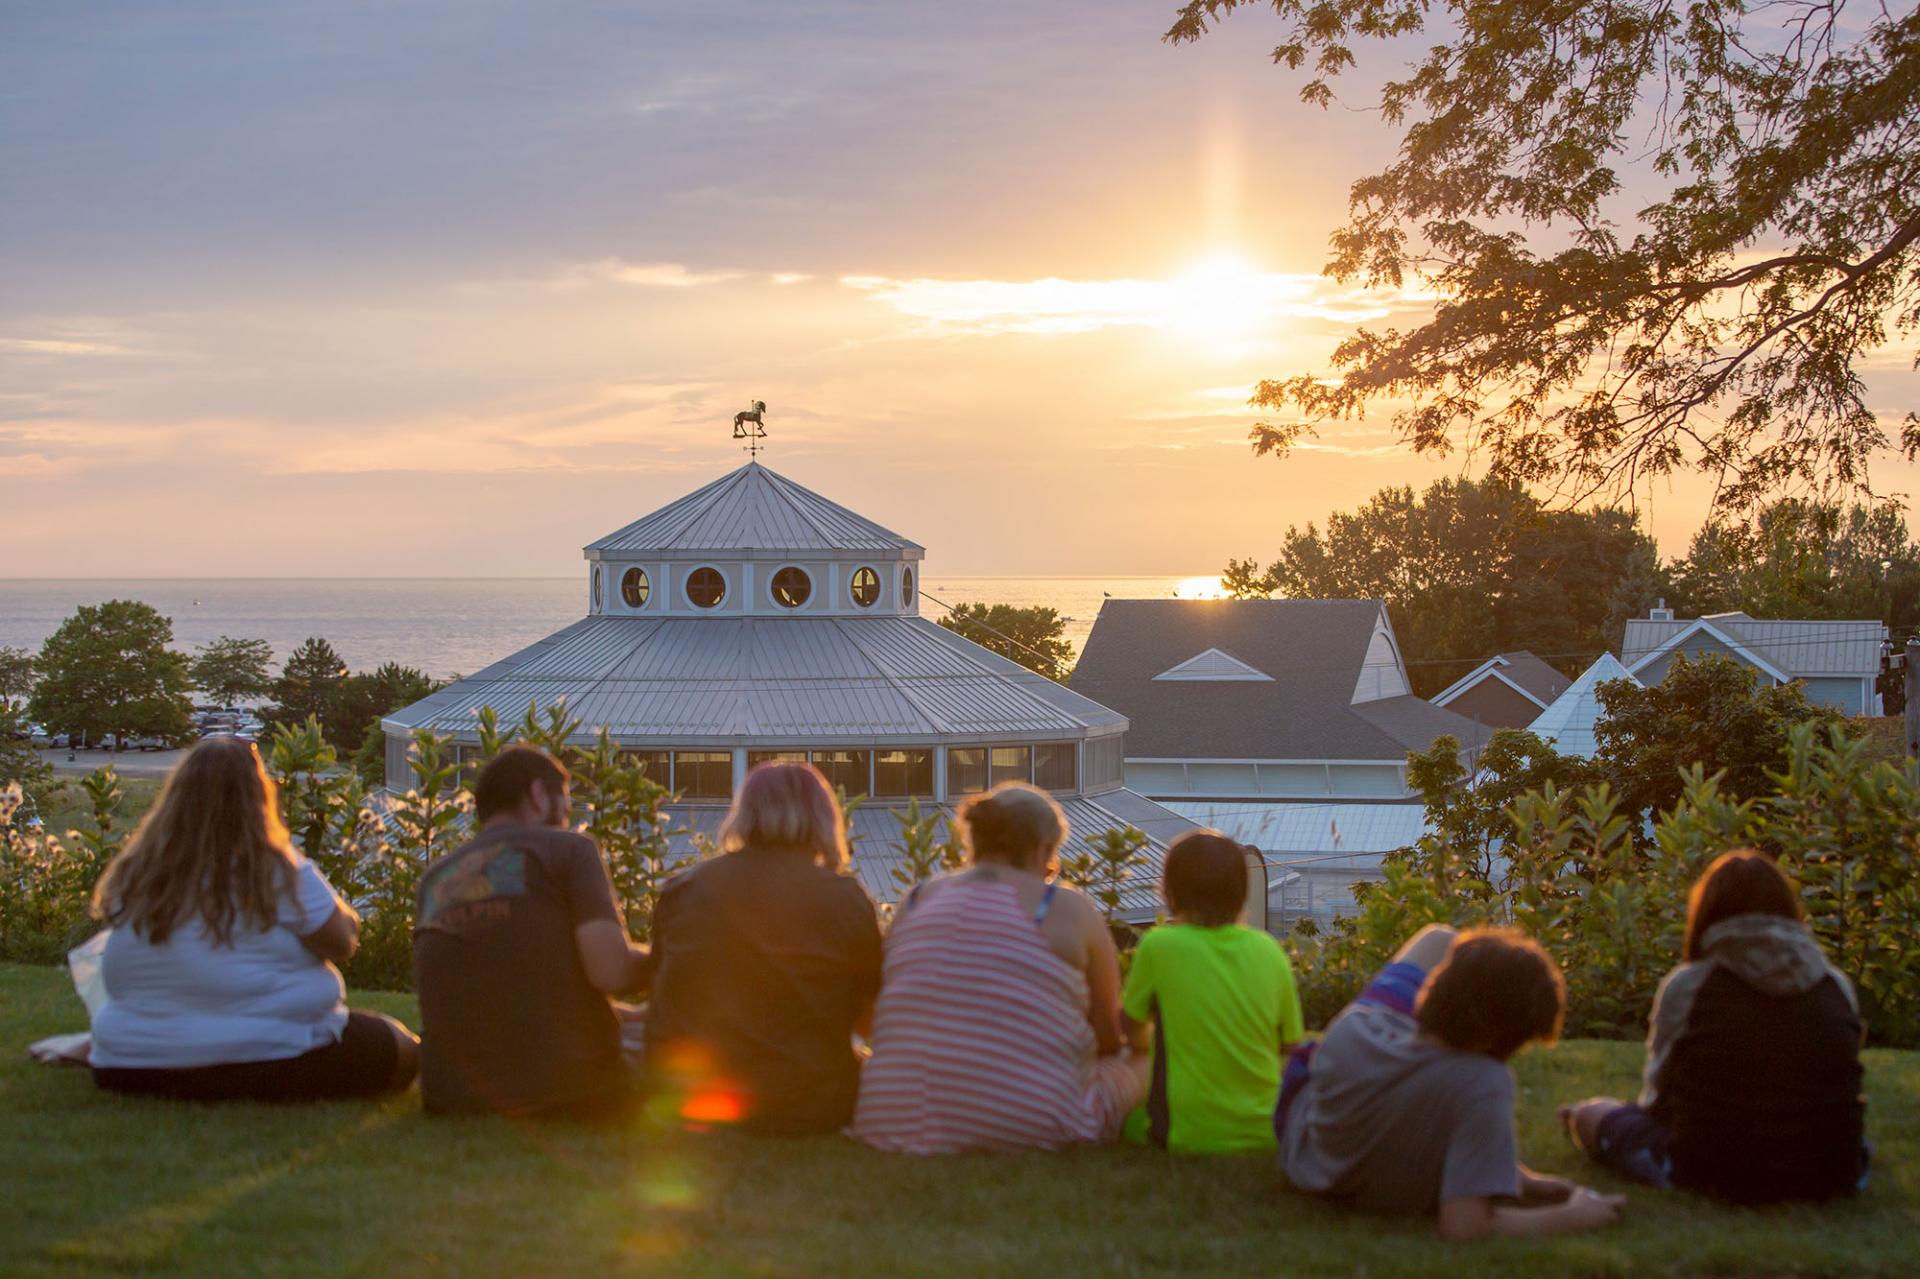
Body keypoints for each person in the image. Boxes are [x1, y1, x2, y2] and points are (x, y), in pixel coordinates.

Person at [87, 735, 418, 1102]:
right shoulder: (273, 869)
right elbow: (341, 942)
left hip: (127, 1067)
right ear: (257, 797)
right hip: (260, 1060)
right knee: (399, 1044)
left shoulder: (137, 871)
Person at [852, 782, 1149, 1153]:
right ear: (1042, 848)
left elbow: (879, 1009)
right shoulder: (1067, 908)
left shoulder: (917, 898)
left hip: (897, 1115)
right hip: (1034, 1122)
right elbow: (1107, 1036)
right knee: (1140, 1060)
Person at [1560, 849, 1868, 1203]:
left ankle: (1585, 1118)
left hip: (1712, 1170)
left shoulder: (1690, 985)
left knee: (1590, 1114)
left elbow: (1657, 1097)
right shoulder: (1835, 984)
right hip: (1836, 1172)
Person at [1279, 924, 1624, 1239]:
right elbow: (1466, 1225)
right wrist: (1574, 1216)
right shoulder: (1481, 1082)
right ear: (1495, 1039)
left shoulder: (1355, 1026)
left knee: (1439, 939)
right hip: (1362, 1176)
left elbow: (1407, 1115)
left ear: (1436, 986)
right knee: (1442, 943)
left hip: (1308, 1156)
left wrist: (1517, 1177)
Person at [643, 762, 882, 1135]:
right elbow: (870, 1017)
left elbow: (662, 987)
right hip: (806, 1103)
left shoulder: (685, 887)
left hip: (687, 1098)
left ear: (743, 815)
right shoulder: (844, 898)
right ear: (824, 818)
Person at [414, 746, 646, 1119]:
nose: (567, 820)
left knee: (638, 1026)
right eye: (566, 807)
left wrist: (628, 1015)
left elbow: (510, 987)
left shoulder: (436, 878)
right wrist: (670, 956)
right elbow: (611, 971)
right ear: (539, 794)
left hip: (452, 1096)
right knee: (691, 1040)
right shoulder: (568, 850)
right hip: (569, 1089)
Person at [1119, 831, 1303, 1153]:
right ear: (1240, 892)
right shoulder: (1270, 951)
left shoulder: (1160, 945)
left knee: (1123, 1086)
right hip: (1266, 1133)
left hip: (1184, 1136)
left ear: (1171, 891)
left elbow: (1132, 1029)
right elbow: (1290, 1046)